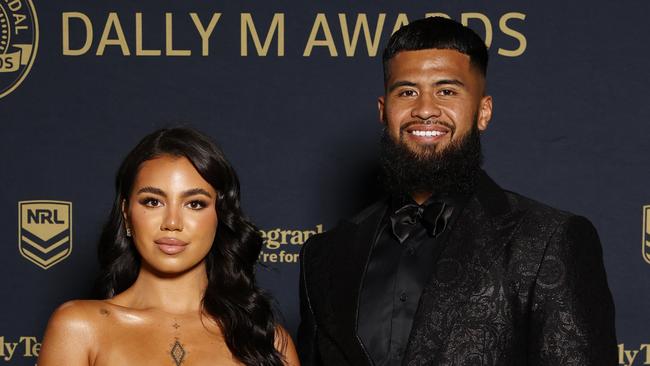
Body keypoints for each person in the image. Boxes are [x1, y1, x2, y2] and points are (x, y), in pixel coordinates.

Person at [297, 17, 617, 366]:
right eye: (407, 92)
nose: (424, 110)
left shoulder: (546, 241)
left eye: (446, 91)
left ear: (483, 111)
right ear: (382, 111)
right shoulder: (325, 257)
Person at [39, 128, 300, 366]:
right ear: (127, 214)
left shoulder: (270, 341)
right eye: (152, 202)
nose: (172, 223)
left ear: (220, 216)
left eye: (195, 204)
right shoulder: (80, 327)